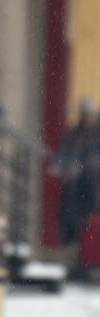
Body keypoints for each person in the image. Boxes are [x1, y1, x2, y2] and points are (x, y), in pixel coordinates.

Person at [53, 96, 100, 272]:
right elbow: (63, 157)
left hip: (93, 189)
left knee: (92, 224)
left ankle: (92, 260)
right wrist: (62, 167)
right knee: (71, 223)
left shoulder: (96, 136)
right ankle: (75, 261)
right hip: (74, 189)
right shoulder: (73, 135)